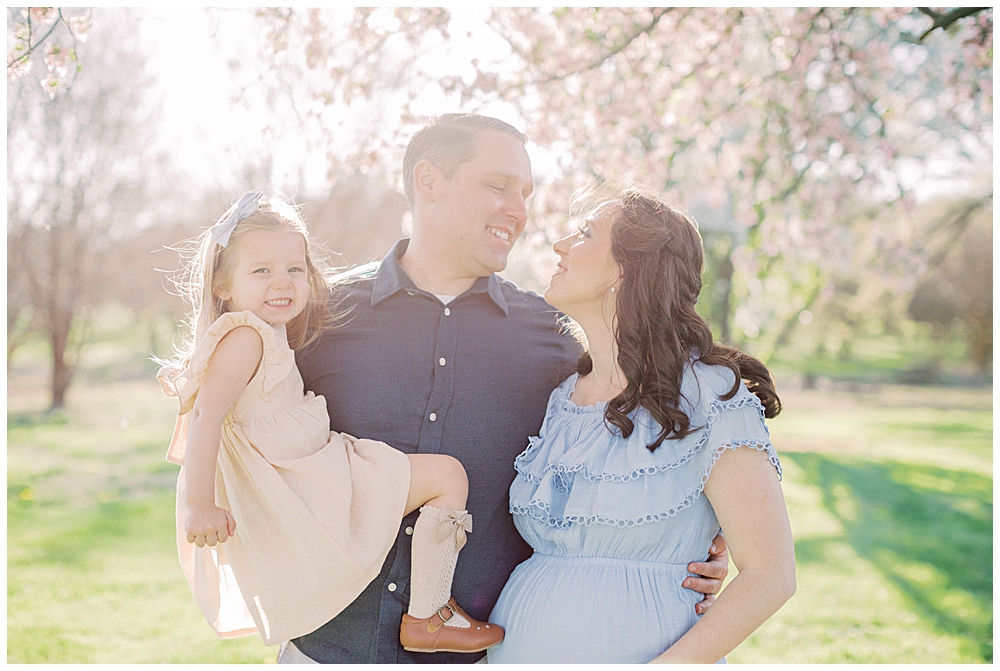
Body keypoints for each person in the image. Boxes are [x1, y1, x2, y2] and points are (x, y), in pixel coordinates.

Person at [283, 114, 731, 664]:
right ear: (428, 182)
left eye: (526, 193)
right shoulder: (319, 318)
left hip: (480, 658)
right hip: (323, 649)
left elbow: (641, 440)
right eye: (498, 187)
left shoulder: (554, 338)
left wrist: (696, 541)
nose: (519, 210)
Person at [157, 191, 505, 654]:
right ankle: (429, 613)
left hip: (309, 471)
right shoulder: (245, 336)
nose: (281, 283)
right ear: (222, 285)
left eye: (294, 269)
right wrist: (200, 503)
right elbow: (205, 416)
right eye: (262, 270)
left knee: (441, 477)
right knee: (446, 475)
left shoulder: (266, 332)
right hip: (305, 482)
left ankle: (428, 615)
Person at [486, 186, 797, 663]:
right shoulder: (560, 400)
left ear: (627, 271)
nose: (560, 244)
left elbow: (770, 576)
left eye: (585, 233)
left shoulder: (708, 394)